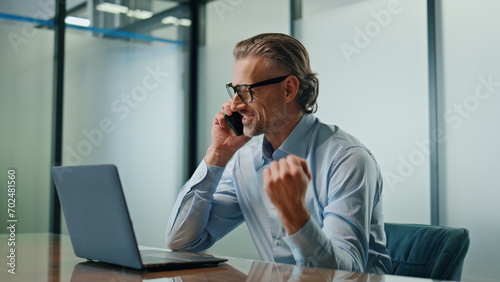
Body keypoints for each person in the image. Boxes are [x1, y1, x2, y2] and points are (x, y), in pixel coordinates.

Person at [165, 33, 392, 274]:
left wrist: (295, 215)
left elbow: (345, 275)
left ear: (288, 89)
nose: (235, 104)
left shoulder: (348, 159)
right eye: (234, 90)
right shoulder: (244, 159)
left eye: (246, 90)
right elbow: (182, 241)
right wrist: (218, 153)